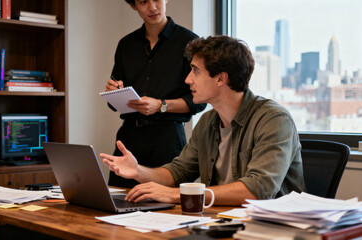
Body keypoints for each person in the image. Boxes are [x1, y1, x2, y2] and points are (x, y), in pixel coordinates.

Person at [100, 35, 306, 206]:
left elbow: (258, 190)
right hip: (221, 222)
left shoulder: (274, 120)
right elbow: (178, 172)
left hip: (272, 229)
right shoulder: (208, 121)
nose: (188, 79)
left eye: (195, 71)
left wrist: (178, 195)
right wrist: (138, 171)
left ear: (220, 79)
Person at [105, 0, 206, 188]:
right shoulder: (126, 45)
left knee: (168, 209)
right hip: (130, 138)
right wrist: (114, 92)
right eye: (143, 2)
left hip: (167, 140)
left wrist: (161, 105)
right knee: (117, 201)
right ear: (133, 5)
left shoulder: (189, 43)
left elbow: (199, 102)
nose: (152, 7)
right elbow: (113, 103)